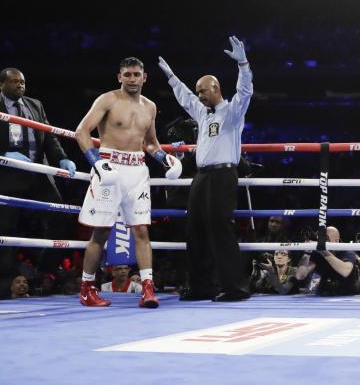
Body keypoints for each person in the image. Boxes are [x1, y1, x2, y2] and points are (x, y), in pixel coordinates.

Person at [74, 57, 182, 309]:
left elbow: (151, 142)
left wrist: (164, 158)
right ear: (119, 77)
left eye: (136, 74)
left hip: (137, 170)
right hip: (109, 168)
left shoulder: (150, 106)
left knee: (142, 230)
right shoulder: (107, 100)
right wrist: (96, 163)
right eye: (127, 74)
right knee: (100, 231)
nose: (132, 79)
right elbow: (82, 131)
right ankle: (87, 288)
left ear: (144, 78)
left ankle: (147, 288)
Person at [158, 36, 253, 302]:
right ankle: (203, 286)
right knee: (195, 228)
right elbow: (185, 99)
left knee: (220, 228)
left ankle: (235, 288)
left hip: (223, 175)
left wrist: (243, 64)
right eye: (199, 91)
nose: (200, 95)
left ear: (216, 88)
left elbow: (245, 91)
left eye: (204, 91)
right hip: (201, 176)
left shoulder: (233, 112)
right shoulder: (203, 113)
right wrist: (172, 78)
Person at [0, 67, 77, 294]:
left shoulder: (35, 105)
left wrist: (63, 158)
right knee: (6, 229)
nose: (20, 85)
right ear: (1, 84)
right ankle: (2, 286)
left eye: (22, 82)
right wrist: (2, 154)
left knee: (60, 213)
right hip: (6, 174)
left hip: (37, 172)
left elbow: (49, 137)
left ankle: (45, 269)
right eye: (14, 82)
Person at [295, 226, 360, 296]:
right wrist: (307, 252)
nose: (322, 241)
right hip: (324, 295)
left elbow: (345, 271)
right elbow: (300, 276)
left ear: (336, 240)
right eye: (321, 238)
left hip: (347, 296)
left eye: (325, 238)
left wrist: (323, 251)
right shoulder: (318, 254)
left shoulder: (347, 251)